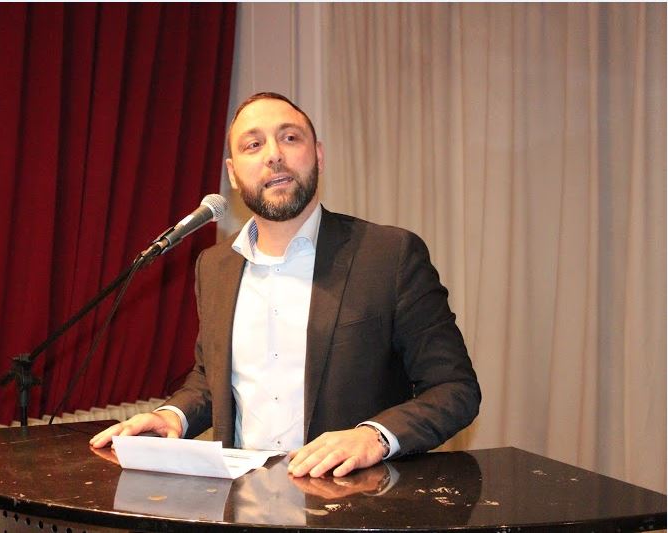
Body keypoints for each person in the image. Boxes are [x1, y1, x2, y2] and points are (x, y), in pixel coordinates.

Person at [90, 92, 481, 478]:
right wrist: (173, 416)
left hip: (346, 501)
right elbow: (212, 380)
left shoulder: (388, 255)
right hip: (239, 502)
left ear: (319, 156)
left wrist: (374, 436)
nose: (274, 154)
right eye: (253, 144)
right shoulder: (214, 266)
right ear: (233, 173)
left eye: (290, 138)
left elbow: (454, 388)